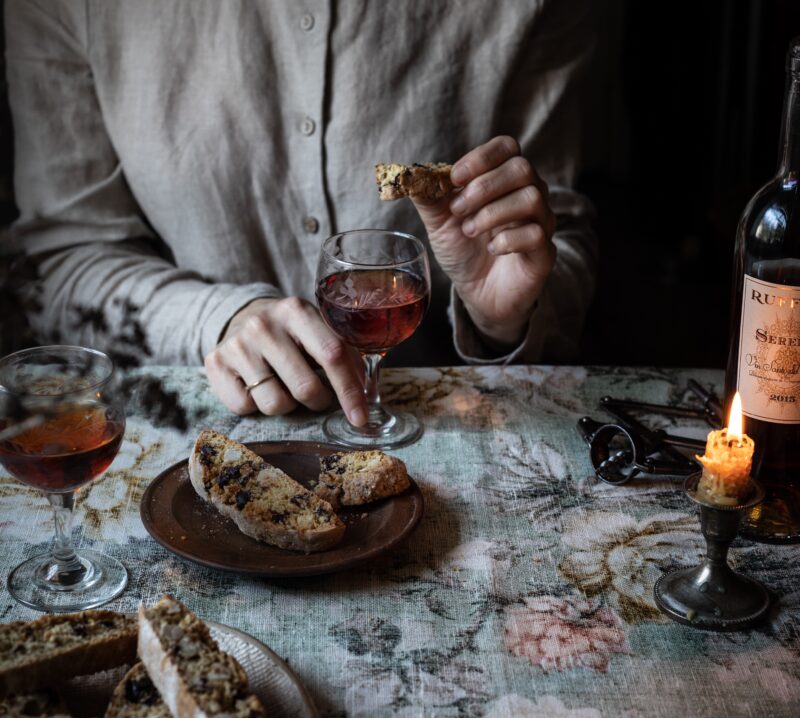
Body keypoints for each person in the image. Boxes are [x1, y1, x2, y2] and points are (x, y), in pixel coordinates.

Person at [5, 0, 597, 426]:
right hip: (199, 424)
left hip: (447, 424)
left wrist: (502, 320)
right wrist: (214, 317)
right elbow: (58, 263)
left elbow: (558, 233)